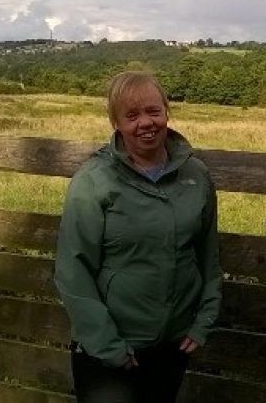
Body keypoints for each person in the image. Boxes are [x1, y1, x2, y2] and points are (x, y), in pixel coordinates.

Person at [54, 71, 221, 403]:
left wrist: (203, 320)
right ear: (116, 122)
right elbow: (72, 270)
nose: (146, 122)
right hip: (109, 350)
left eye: (153, 111)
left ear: (166, 112)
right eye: (131, 115)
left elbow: (208, 253)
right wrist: (108, 345)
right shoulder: (94, 182)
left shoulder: (196, 176)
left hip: (172, 345)